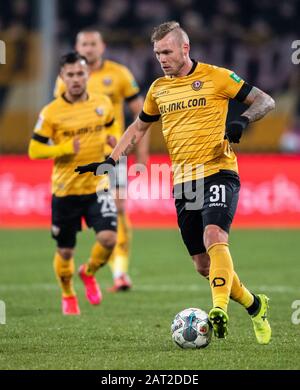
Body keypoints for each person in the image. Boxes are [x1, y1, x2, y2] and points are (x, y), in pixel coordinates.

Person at [75, 21, 275, 343]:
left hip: (218, 170)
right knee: (202, 265)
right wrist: (112, 161)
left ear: (185, 48)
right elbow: (138, 128)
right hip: (185, 183)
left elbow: (265, 101)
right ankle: (254, 305)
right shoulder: (158, 89)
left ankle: (218, 309)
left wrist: (242, 120)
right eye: (157, 53)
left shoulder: (217, 77)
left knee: (214, 234)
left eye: (167, 52)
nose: (162, 59)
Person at [54, 28, 146, 292]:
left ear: (102, 46)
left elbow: (141, 116)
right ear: (77, 46)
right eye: (84, 44)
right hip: (77, 159)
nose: (89, 48)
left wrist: (141, 154)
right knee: (73, 218)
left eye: (93, 44)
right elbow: (56, 119)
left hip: (112, 155)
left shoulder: (119, 74)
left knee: (118, 208)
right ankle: (79, 271)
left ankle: (120, 273)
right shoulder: (65, 80)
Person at [28, 52, 119, 315]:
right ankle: (68, 293)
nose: (76, 79)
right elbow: (34, 149)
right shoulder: (52, 112)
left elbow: (112, 126)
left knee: (109, 238)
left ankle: (88, 271)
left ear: (87, 75)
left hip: (97, 186)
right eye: (70, 75)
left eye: (80, 73)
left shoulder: (103, 103)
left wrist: (113, 139)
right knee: (65, 251)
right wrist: (64, 148)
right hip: (66, 190)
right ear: (62, 77)